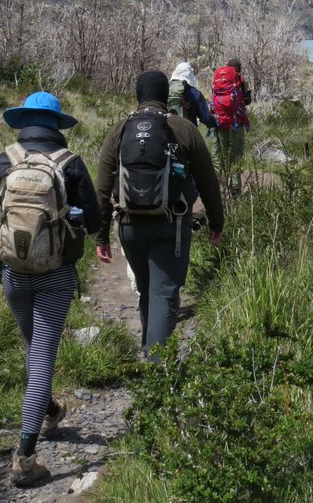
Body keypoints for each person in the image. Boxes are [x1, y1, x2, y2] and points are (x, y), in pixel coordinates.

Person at [0, 91, 101, 487]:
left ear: (24, 122)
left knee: (34, 350)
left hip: (12, 274)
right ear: (58, 126)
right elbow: (93, 221)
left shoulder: (2, 162)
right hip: (56, 275)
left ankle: (50, 411)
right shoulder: (70, 164)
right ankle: (25, 457)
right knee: (41, 358)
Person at [95, 70, 224, 360]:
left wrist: (101, 235)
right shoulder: (184, 129)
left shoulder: (120, 130)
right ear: (166, 96)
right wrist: (217, 223)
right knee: (164, 295)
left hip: (130, 227)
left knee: (146, 291)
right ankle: (157, 372)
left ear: (139, 96)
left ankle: (151, 358)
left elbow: (102, 189)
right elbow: (208, 181)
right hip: (172, 227)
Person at [210, 58, 251, 197]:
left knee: (218, 155)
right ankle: (235, 190)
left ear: (227, 67)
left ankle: (216, 187)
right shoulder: (241, 80)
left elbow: (213, 99)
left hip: (220, 122)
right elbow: (247, 101)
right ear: (238, 69)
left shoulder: (217, 79)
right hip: (236, 123)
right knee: (235, 156)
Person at [168, 61, 216, 131]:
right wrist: (214, 124)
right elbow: (205, 118)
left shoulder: (165, 89)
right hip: (188, 132)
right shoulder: (195, 93)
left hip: (168, 132)